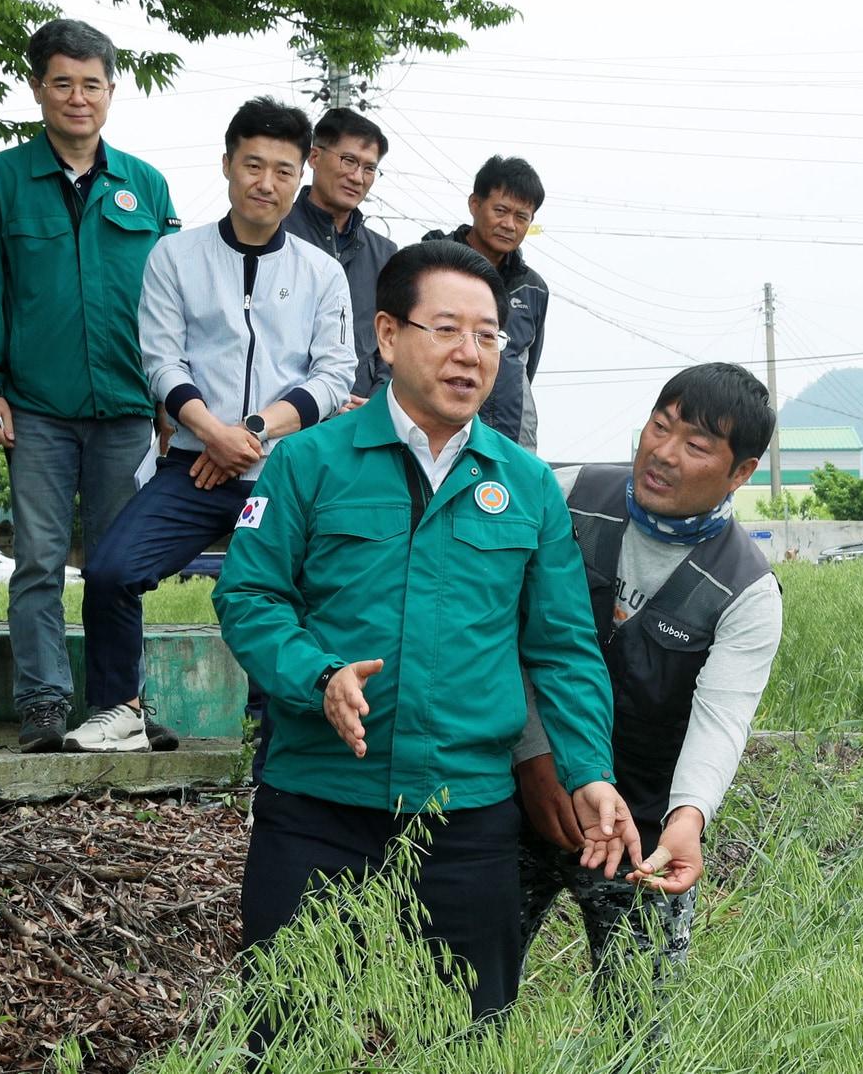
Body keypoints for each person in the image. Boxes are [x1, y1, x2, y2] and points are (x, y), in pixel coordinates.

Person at [212, 239, 638, 1022]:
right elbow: (249, 597)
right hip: (318, 804)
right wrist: (318, 675)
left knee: (470, 1037)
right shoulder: (308, 463)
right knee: (284, 1030)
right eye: (446, 329)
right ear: (386, 335)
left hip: (466, 816)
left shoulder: (526, 484)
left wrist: (590, 772)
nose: (470, 355)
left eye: (487, 336)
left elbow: (563, 648)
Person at [70, 96, 354, 752]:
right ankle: (122, 709)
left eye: (283, 170)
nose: (266, 182)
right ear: (227, 164)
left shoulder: (321, 272)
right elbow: (160, 360)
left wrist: (246, 433)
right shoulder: (176, 256)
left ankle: (279, 727)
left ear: (300, 178)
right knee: (112, 571)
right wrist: (213, 433)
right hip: (195, 467)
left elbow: (334, 376)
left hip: (287, 473)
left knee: (296, 592)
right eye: (253, 164)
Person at [514, 362, 784, 1023]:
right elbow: (498, 628)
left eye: (695, 445)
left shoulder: (747, 590)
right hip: (519, 793)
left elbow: (721, 720)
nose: (662, 453)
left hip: (640, 830)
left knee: (637, 1024)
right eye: (660, 427)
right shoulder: (568, 495)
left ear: (740, 472)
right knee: (460, 999)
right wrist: (535, 758)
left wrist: (687, 821)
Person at [0, 19, 181, 754]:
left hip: (130, 408)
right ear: (37, 88)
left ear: (110, 91)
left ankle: (117, 707)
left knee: (117, 563)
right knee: (38, 555)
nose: (77, 97)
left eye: (91, 84)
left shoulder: (146, 184)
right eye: (62, 82)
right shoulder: (0, 180)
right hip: (35, 404)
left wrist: (173, 397)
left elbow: (173, 298)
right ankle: (41, 704)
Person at [423, 155, 547, 450]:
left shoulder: (534, 288)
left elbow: (524, 369)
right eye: (500, 210)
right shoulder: (431, 263)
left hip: (509, 438)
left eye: (522, 217)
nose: (509, 224)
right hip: (434, 427)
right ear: (475, 204)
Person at [282, 107, 397, 404]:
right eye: (349, 161)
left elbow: (393, 339)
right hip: (283, 416)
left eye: (369, 168)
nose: (357, 177)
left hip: (360, 417)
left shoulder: (384, 254)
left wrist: (377, 400)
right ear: (315, 157)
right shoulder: (274, 235)